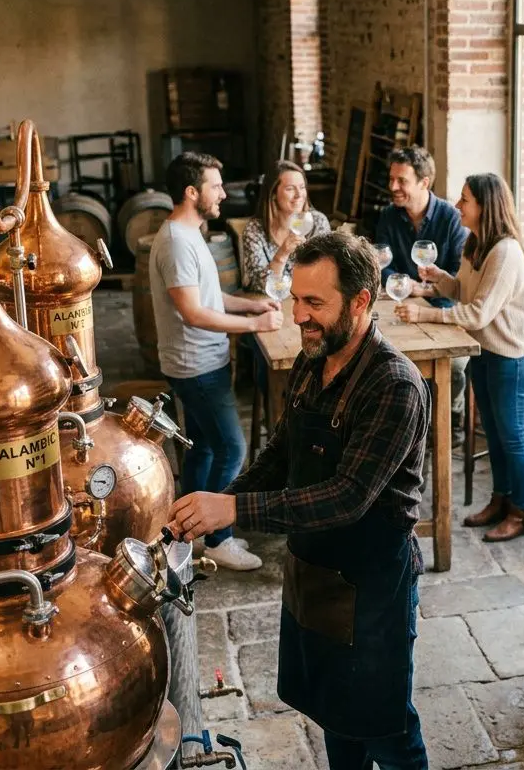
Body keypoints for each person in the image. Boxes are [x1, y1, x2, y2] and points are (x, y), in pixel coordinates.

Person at [168, 233, 431, 769]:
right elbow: (280, 456)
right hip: (316, 571)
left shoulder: (394, 385)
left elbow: (348, 497)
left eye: (315, 303)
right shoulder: (316, 362)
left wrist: (236, 512)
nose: (299, 315)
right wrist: (217, 505)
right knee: (336, 714)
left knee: (386, 727)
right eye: (295, 298)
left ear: (361, 302)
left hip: (371, 583)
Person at [149, 151, 281, 572]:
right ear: (192, 192)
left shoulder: (191, 235)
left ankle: (191, 530)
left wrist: (250, 307)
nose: (224, 192)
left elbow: (210, 299)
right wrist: (256, 327)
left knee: (204, 447)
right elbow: (193, 313)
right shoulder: (174, 242)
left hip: (204, 361)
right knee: (232, 448)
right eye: (215, 186)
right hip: (196, 366)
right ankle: (219, 539)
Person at [394, 173, 524, 542]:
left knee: (513, 436)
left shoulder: (505, 252)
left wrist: (425, 312)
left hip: (514, 356)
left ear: (484, 206)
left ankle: (522, 512)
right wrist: (439, 278)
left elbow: (478, 314)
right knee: (492, 435)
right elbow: (463, 292)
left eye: (464, 200)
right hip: (485, 351)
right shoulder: (476, 244)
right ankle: (500, 499)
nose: (457, 206)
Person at [374, 147, 470, 441]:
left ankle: (446, 420)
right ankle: (408, 425)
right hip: (400, 307)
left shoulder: (451, 219)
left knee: (452, 366)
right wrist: (402, 286)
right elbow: (381, 265)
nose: (393, 187)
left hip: (443, 309)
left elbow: (459, 279)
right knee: (381, 359)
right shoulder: (389, 217)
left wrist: (424, 289)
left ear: (424, 183)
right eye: (391, 179)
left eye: (401, 181)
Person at [240, 160, 331, 294]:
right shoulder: (255, 230)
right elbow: (258, 286)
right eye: (290, 188)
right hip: (270, 305)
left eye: (302, 187)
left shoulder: (317, 222)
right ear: (274, 194)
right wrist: (281, 255)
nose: (299, 195)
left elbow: (326, 275)